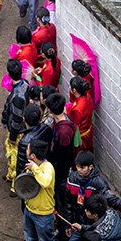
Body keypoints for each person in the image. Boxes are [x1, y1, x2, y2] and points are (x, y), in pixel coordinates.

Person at [63, 152, 121, 241]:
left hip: (95, 228)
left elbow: (112, 199)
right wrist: (67, 223)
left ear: (91, 166)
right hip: (78, 225)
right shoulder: (72, 179)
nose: (79, 170)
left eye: (82, 167)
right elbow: (67, 203)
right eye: (77, 166)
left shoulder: (99, 184)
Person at [22, 140, 56, 241]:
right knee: (30, 240)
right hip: (29, 210)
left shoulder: (48, 168)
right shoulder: (32, 166)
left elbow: (46, 182)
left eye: (27, 149)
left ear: (33, 156)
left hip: (43, 215)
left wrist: (35, 170)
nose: (26, 151)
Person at [46, 93, 75, 222]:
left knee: (61, 201)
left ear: (50, 109)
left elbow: (62, 156)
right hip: (59, 168)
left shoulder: (64, 132)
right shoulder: (61, 122)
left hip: (61, 172)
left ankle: (63, 231)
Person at [1, 58, 29, 186]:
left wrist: (12, 135)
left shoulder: (17, 95)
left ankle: (15, 184)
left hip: (17, 131)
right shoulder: (25, 85)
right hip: (21, 127)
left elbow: (17, 118)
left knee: (15, 156)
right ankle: (11, 175)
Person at [15, 103, 53, 184]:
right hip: (44, 166)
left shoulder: (25, 142)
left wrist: (19, 180)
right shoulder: (46, 128)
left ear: (24, 119)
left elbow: (22, 164)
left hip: (32, 175)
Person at [67, 78, 94, 153]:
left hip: (81, 138)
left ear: (74, 90)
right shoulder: (87, 96)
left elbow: (75, 125)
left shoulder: (77, 109)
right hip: (88, 131)